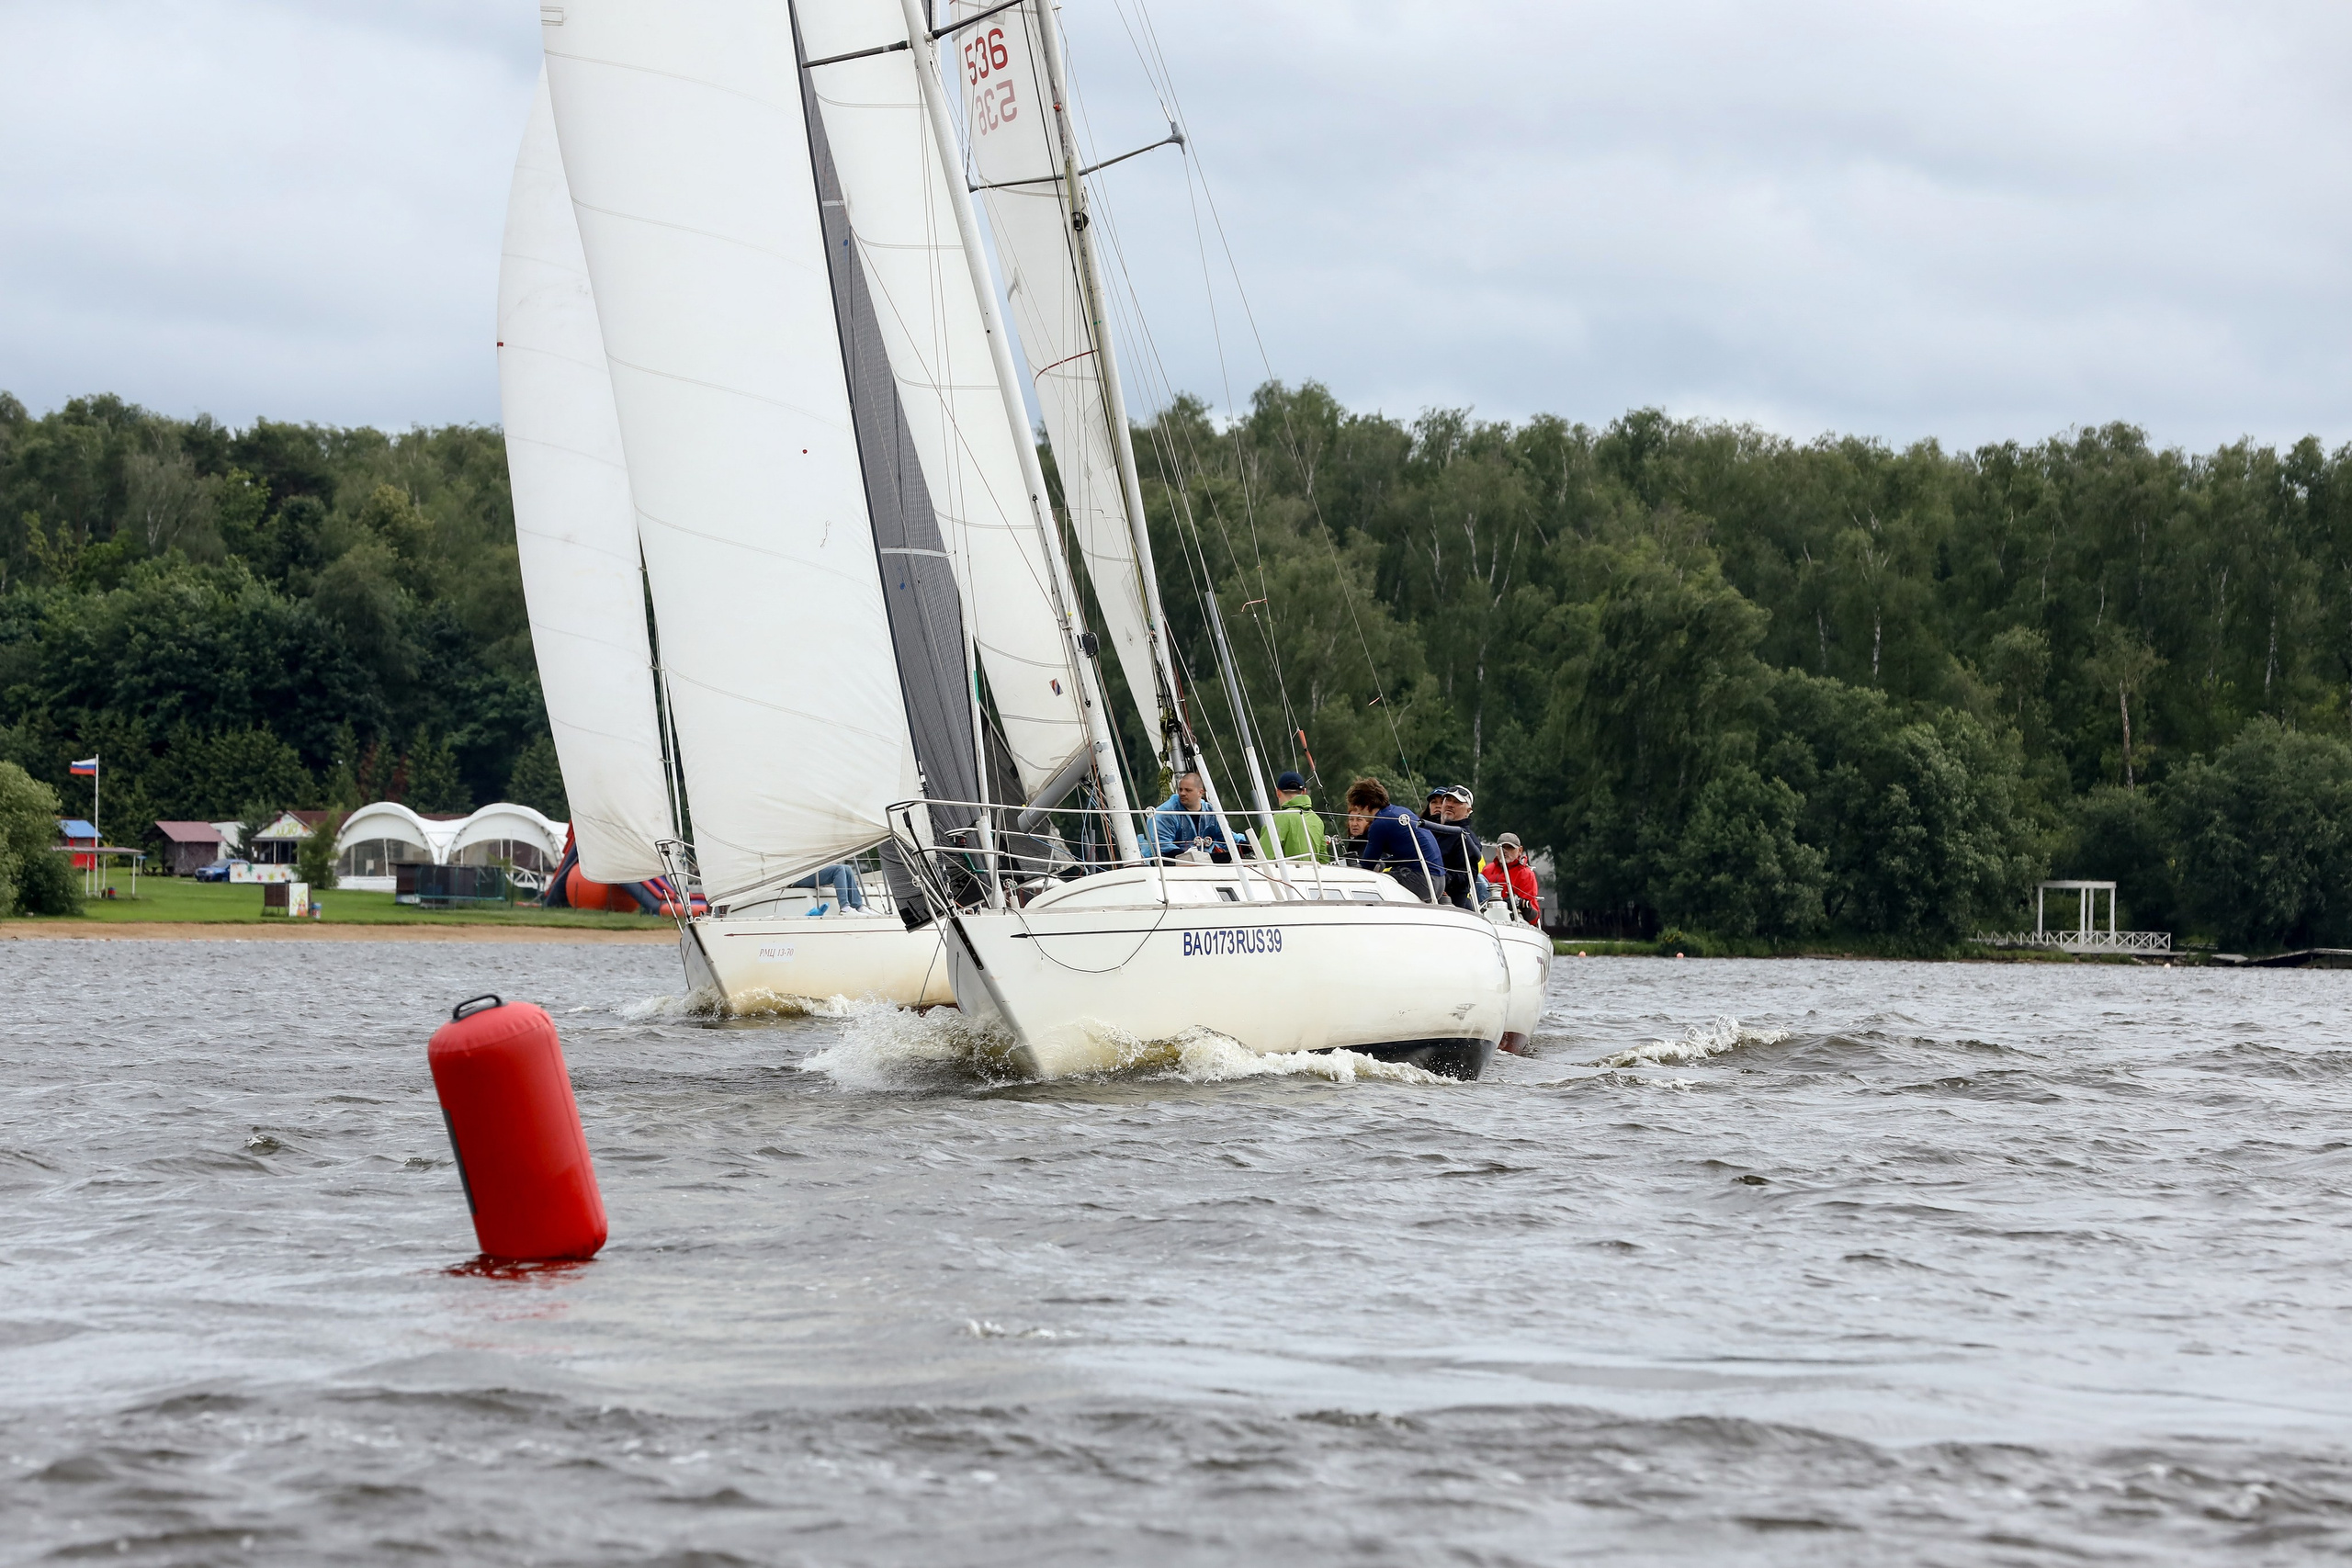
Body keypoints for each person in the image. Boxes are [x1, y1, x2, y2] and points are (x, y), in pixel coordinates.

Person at [1344, 776, 1442, 901]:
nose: (1358, 813)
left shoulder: (1379, 824)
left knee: (1372, 881)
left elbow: (1367, 865)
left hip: (1422, 882)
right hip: (1438, 881)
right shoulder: (1400, 811)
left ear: (1367, 805)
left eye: (1358, 809)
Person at [1422, 784, 1485, 911]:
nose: (1450, 804)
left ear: (1469, 810)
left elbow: (1467, 878)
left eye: (1457, 802)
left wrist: (1442, 876)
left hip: (1449, 905)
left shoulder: (1468, 840)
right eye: (1448, 800)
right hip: (1421, 891)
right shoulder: (1427, 828)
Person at [1148, 770, 1233, 863]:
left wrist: (1244, 844)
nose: (1182, 793)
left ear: (1200, 792)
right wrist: (1190, 857)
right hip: (1170, 861)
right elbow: (1162, 844)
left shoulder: (1211, 812)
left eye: (1188, 790)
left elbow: (1226, 836)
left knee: (1232, 858)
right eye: (1180, 789)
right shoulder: (1165, 813)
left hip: (1204, 859)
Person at [1254, 770, 1333, 863]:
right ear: (1304, 792)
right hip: (1313, 875)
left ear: (1278, 792)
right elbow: (1324, 859)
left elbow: (1264, 857)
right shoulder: (1317, 820)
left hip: (1288, 876)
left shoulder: (1279, 818)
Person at [1482, 831, 1542, 924]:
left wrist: (1518, 903)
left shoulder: (1526, 874)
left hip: (1514, 923)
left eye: (1510, 848)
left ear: (1520, 850)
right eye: (1502, 847)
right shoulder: (1487, 870)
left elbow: (1532, 917)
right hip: (1486, 919)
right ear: (1496, 850)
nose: (1505, 851)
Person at [790, 861, 865, 910]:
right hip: (798, 876)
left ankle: (858, 906)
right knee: (838, 869)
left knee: (847, 868)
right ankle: (844, 907)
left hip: (811, 870)